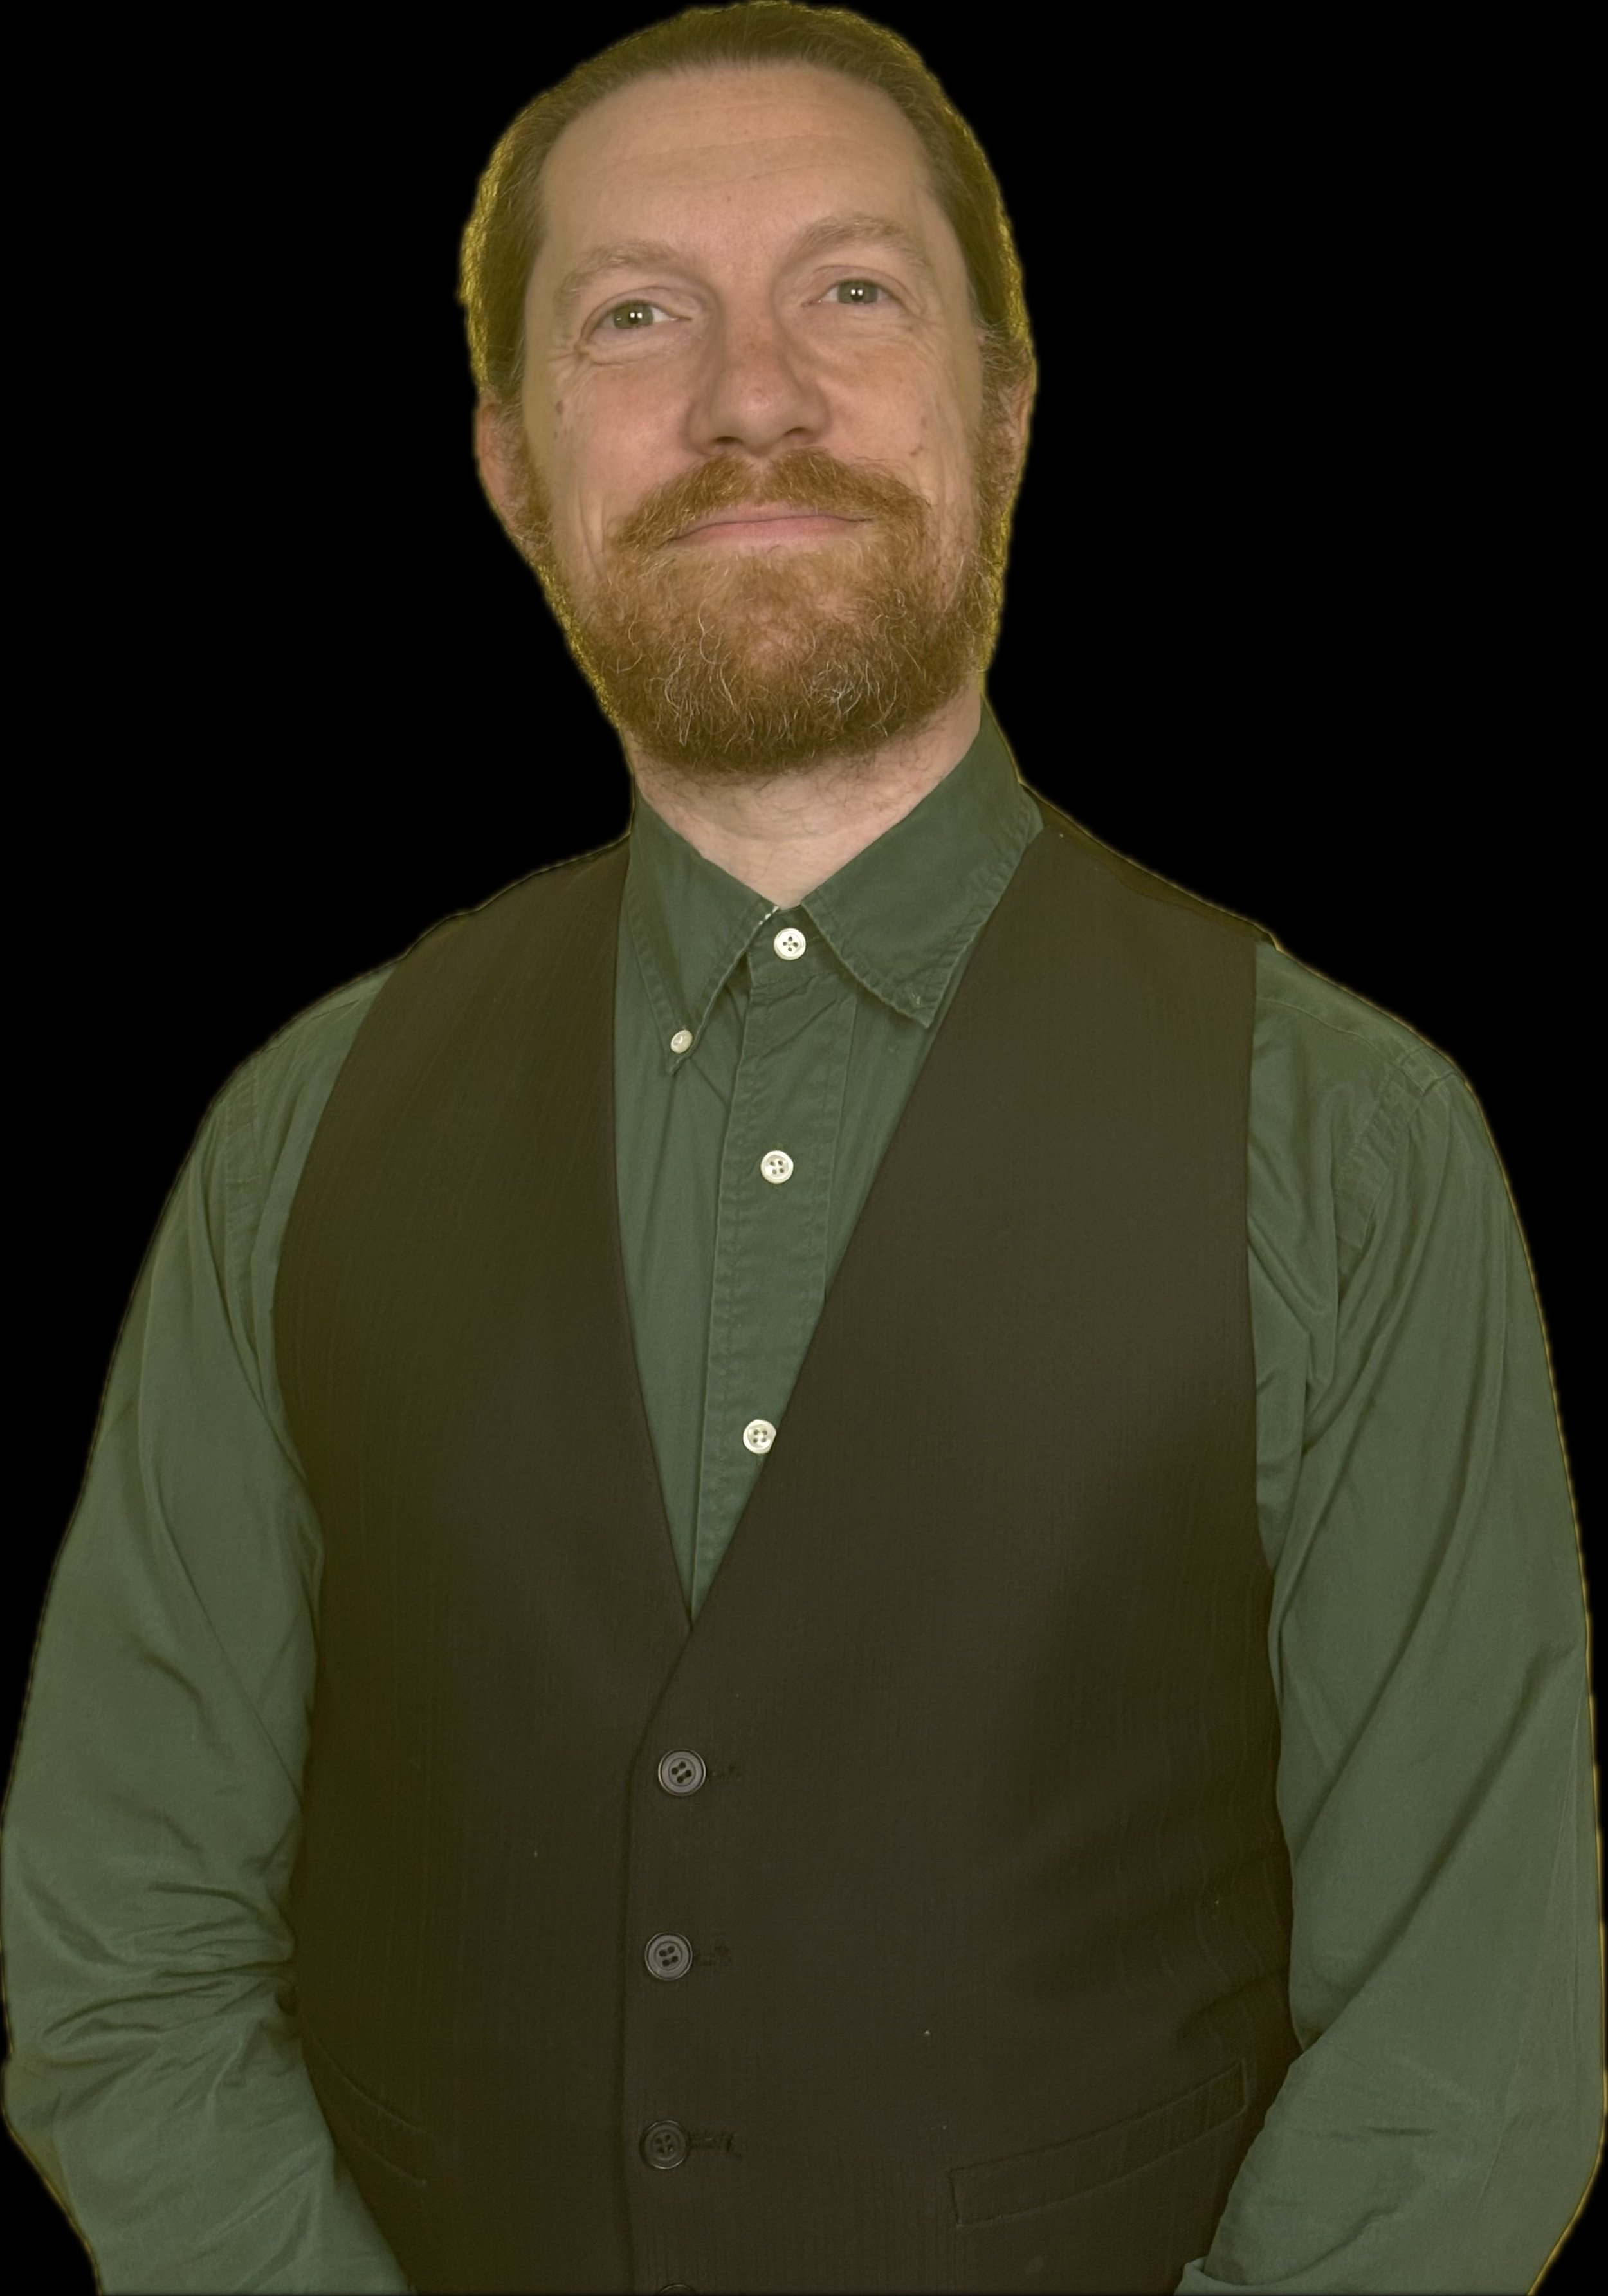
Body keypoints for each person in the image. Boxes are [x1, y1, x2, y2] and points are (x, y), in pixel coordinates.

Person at [3, 6, 1601, 2291]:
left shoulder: (1352, 1139)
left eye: (848, 290)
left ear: (1009, 411)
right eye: (634, 316)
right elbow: (123, 1953)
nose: (749, 394)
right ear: (510, 465)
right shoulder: (304, 1126)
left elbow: (1462, 2063)